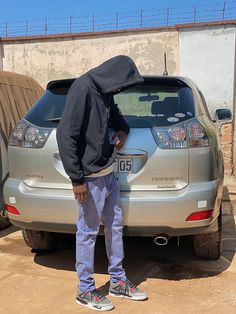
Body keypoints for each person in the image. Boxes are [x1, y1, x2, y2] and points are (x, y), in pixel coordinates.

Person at [56, 55, 148, 311]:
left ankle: (118, 280)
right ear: (114, 75)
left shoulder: (105, 90)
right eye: (121, 85)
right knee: (87, 233)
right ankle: (85, 290)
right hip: (89, 179)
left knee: (115, 227)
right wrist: (77, 179)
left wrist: (123, 130)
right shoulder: (83, 87)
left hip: (108, 173)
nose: (119, 90)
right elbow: (66, 135)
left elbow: (114, 114)